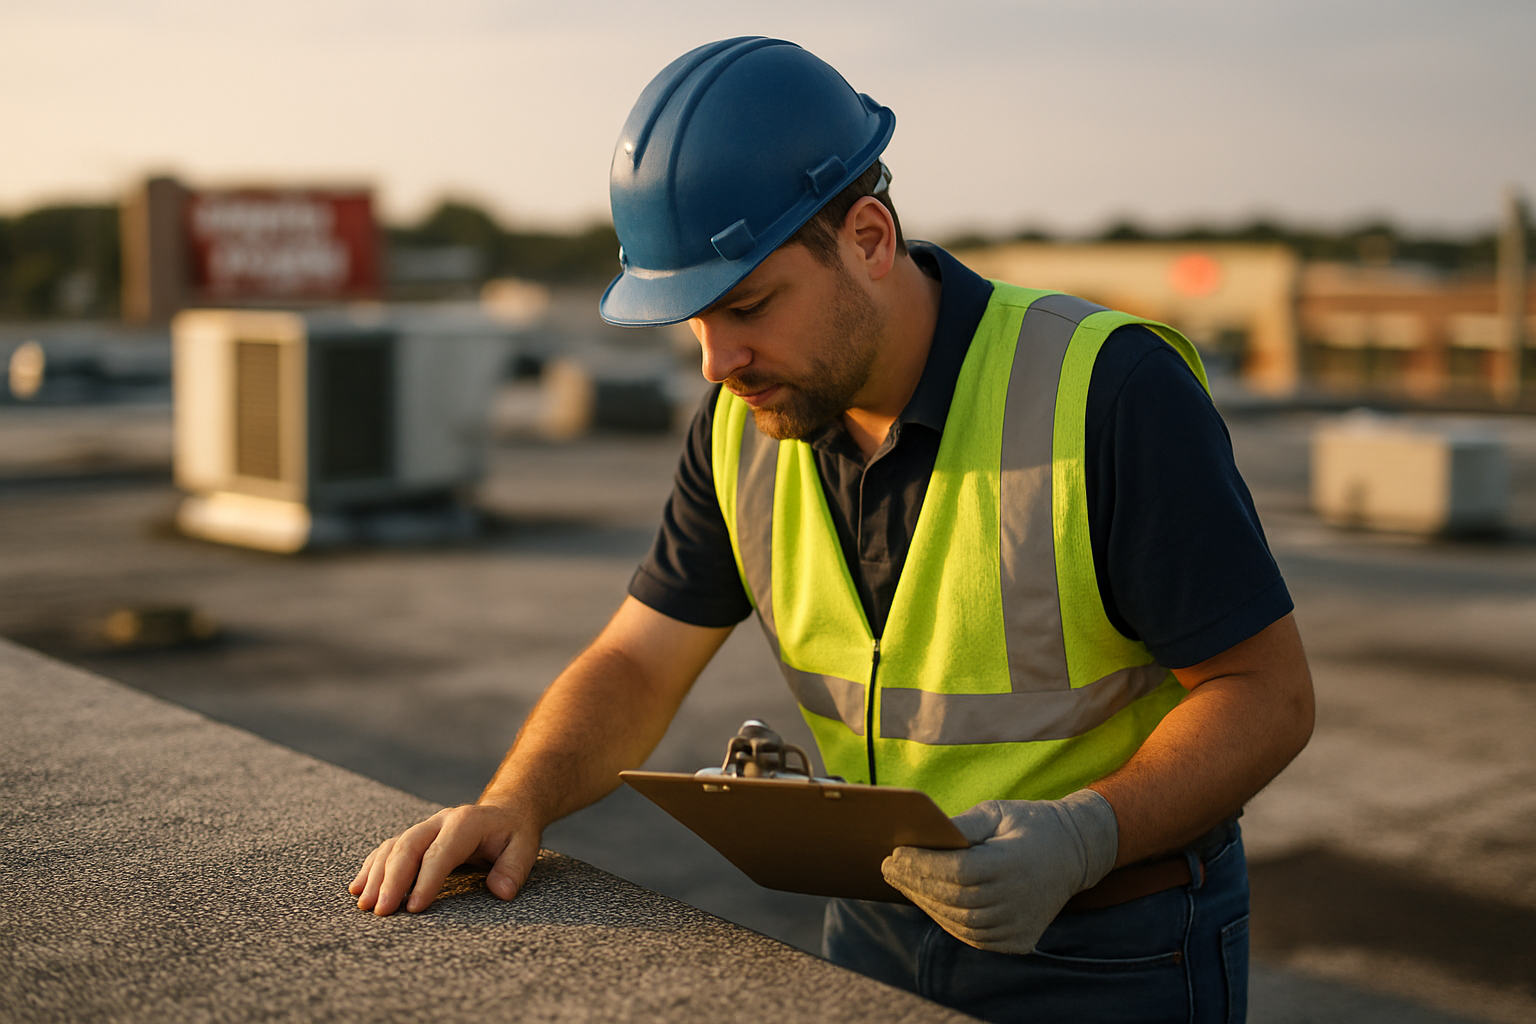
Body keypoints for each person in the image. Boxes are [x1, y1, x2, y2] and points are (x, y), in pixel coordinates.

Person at [350, 37, 1313, 1024]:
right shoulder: (745, 424)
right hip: (875, 926)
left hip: (1115, 946)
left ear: (868, 237)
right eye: (690, 320)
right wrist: (517, 802)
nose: (717, 361)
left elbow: (1267, 694)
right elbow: (638, 662)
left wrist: (1085, 836)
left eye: (748, 305)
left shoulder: (1106, 393)